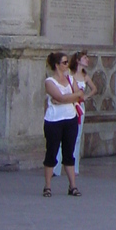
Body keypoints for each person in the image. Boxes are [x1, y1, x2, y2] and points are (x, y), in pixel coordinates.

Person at [42, 51, 84, 197]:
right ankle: (47, 186)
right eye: (64, 63)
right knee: (52, 152)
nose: (67, 65)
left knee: (69, 152)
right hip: (54, 120)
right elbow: (58, 96)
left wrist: (64, 99)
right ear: (57, 65)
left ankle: (72, 186)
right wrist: (68, 98)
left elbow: (80, 95)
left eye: (67, 62)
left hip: (70, 118)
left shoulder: (71, 79)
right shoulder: (49, 82)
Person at [53, 51, 97, 178]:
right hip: (69, 105)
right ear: (78, 60)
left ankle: (74, 167)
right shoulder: (70, 75)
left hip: (79, 107)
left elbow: (94, 89)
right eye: (84, 58)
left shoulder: (85, 76)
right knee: (63, 136)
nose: (87, 60)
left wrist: (86, 96)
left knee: (77, 137)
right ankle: (56, 168)